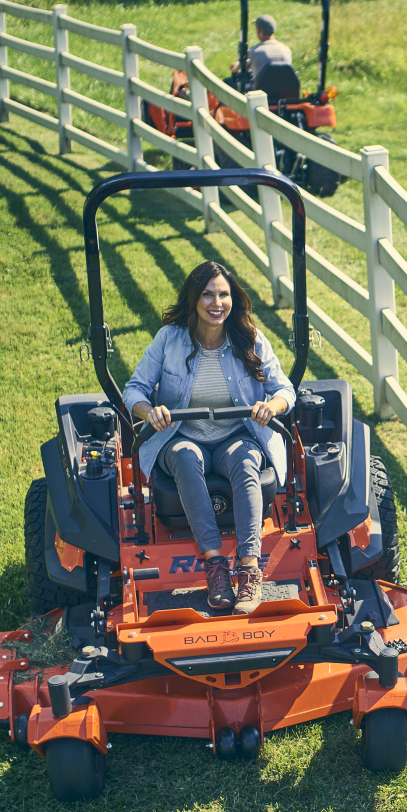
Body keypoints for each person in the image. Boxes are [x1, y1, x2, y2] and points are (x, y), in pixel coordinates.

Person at [124, 261, 294, 613]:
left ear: (233, 299)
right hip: (182, 434)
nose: (217, 303)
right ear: (193, 298)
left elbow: (285, 391)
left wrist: (271, 407)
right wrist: (149, 412)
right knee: (186, 457)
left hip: (237, 434)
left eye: (224, 294)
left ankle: (248, 569)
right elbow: (135, 389)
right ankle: (215, 565)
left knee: (246, 460)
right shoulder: (169, 339)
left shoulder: (250, 338)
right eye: (208, 294)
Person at [230, 13, 293, 80]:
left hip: (262, 89)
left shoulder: (254, 52)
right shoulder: (286, 50)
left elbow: (237, 69)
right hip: (284, 89)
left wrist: (234, 66)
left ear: (258, 30)